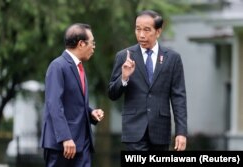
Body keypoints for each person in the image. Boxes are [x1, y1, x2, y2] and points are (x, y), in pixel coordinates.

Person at [108, 10, 187, 151]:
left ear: (158, 32)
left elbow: (178, 97)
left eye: (146, 30)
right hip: (133, 131)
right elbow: (112, 94)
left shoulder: (172, 58)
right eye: (138, 29)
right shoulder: (124, 56)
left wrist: (181, 132)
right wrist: (124, 77)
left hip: (160, 131)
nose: (141, 35)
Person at [40, 23, 104, 167]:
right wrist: (65, 137)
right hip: (62, 146)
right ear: (81, 44)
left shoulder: (79, 68)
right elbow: (54, 104)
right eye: (92, 43)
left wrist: (91, 112)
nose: (94, 47)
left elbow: (75, 103)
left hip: (82, 144)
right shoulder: (57, 66)